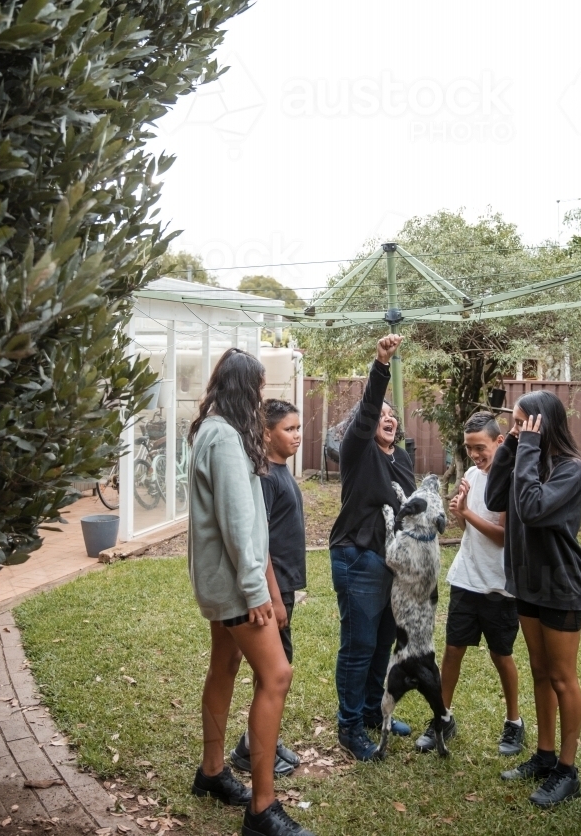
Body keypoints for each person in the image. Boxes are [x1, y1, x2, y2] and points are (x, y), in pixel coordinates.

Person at [187, 348, 314, 836]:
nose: (262, 398)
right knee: (276, 675)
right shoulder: (223, 438)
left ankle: (213, 773)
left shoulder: (213, 431)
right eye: (258, 389)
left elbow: (245, 520)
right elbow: (240, 523)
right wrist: (258, 591)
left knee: (224, 665)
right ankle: (262, 809)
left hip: (225, 581)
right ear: (244, 388)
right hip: (237, 586)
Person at [485, 390, 581, 807]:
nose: (514, 429)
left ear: (542, 425)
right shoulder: (526, 459)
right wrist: (511, 446)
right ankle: (545, 756)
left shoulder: (571, 469)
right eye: (512, 422)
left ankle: (568, 770)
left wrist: (525, 447)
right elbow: (496, 498)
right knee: (540, 671)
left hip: (562, 583)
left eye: (520, 422)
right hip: (529, 579)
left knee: (563, 677)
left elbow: (530, 508)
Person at [329, 334, 417, 761]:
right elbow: (367, 411)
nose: (388, 418)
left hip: (390, 565)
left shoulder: (401, 459)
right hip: (358, 556)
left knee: (382, 645)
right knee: (359, 645)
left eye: (393, 414)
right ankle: (348, 728)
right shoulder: (357, 449)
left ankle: (368, 713)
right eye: (381, 414)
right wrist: (381, 367)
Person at [416, 412, 524, 757]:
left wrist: (466, 514)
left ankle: (514, 722)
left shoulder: (510, 481)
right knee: (453, 651)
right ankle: (442, 717)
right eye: (469, 448)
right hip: (466, 578)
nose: (475, 455)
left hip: (499, 585)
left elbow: (503, 538)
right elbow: (471, 533)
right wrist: (462, 512)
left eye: (481, 447)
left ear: (499, 442)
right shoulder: (473, 476)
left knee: (501, 655)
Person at [231, 399, 305, 778]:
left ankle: (264, 741)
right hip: (273, 592)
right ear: (266, 434)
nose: (296, 435)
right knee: (272, 673)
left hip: (287, 588)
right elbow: (262, 547)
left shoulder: (280, 471)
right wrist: (275, 600)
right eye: (288, 429)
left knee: (274, 671)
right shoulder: (267, 479)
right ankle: (251, 749)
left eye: (297, 428)